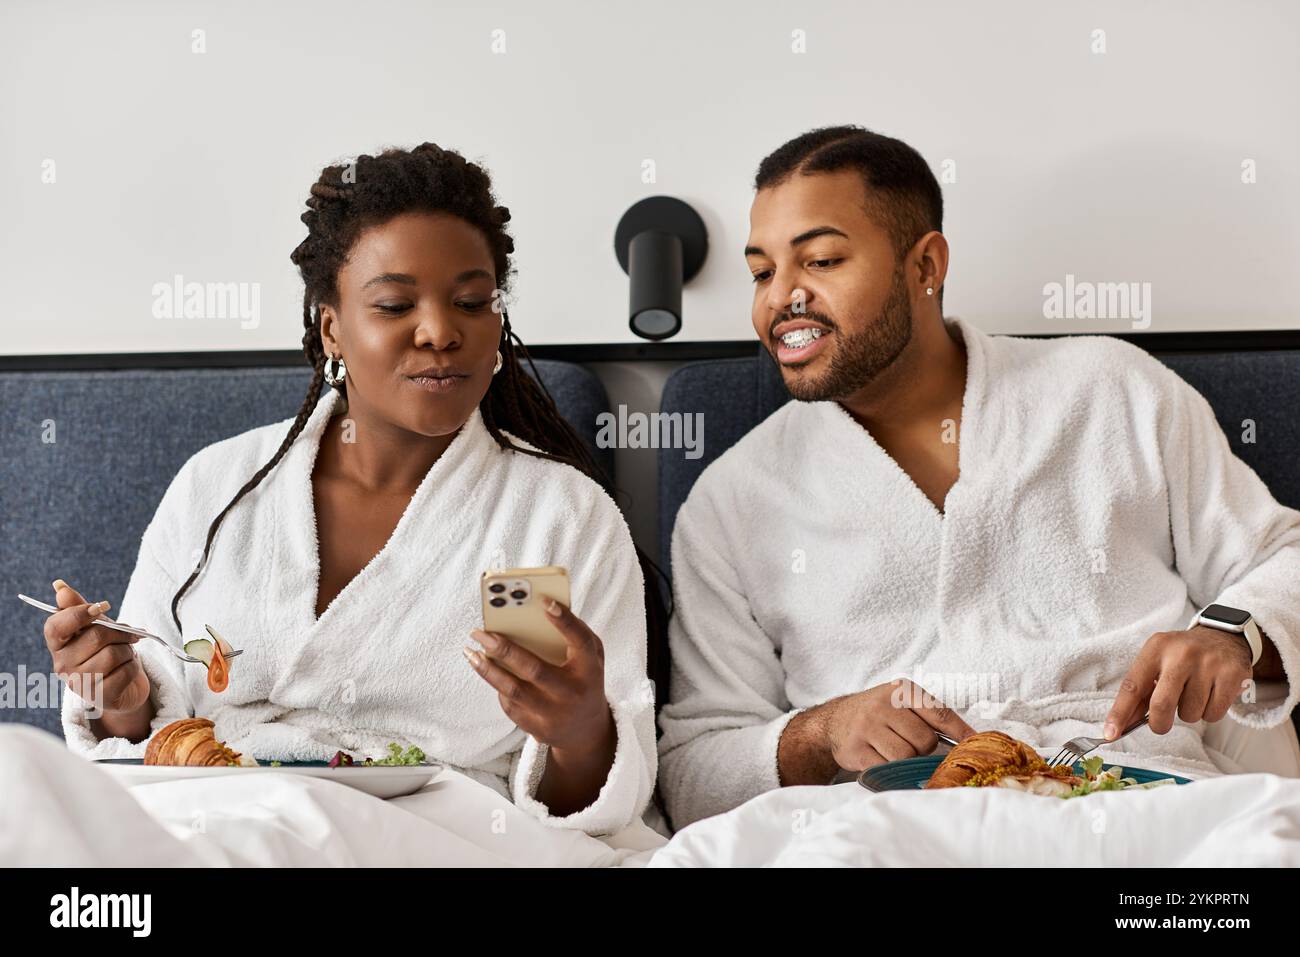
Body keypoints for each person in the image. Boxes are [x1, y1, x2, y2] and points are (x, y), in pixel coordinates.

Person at [657, 125, 1300, 828]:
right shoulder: (732, 500)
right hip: (886, 827)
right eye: (761, 271)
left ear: (925, 264)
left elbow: (1281, 557)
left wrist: (1233, 635)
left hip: (1133, 807)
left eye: (821, 259)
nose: (782, 298)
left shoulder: (1112, 392)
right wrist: (818, 732)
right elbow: (692, 772)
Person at [47, 143, 660, 835]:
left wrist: (580, 732)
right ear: (332, 326)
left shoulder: (563, 515)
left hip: (438, 834)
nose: (439, 331)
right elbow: (142, 723)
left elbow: (599, 801)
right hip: (214, 817)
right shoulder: (217, 486)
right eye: (396, 304)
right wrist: (117, 694)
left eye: (471, 301)